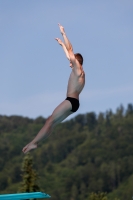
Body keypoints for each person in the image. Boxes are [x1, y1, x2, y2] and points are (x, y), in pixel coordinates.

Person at [22, 23, 85, 154]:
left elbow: (71, 50)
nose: (69, 63)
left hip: (70, 101)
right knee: (51, 123)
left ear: (76, 62)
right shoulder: (80, 72)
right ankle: (35, 143)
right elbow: (69, 54)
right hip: (74, 104)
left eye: (71, 62)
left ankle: (33, 143)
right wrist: (62, 45)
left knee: (50, 120)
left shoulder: (77, 69)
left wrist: (63, 33)